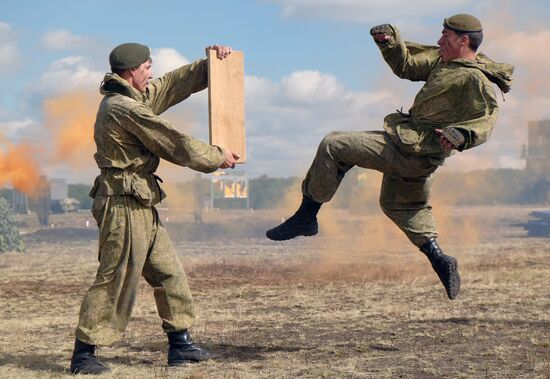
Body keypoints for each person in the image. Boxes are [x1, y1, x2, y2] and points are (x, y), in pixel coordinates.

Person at [266, 14, 513, 300]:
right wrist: (390, 43)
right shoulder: (443, 61)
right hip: (420, 158)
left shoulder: (474, 78)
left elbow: (486, 117)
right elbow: (407, 65)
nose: (438, 40)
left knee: (334, 145)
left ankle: (306, 217)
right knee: (400, 206)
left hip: (410, 150)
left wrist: (461, 135)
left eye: (445, 35)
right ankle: (440, 260)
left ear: (464, 40)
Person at [70, 42, 240, 375]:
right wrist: (216, 157)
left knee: (169, 272)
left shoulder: (134, 99)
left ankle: (181, 344)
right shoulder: (123, 108)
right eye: (147, 67)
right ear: (132, 71)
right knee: (114, 277)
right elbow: (172, 140)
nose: (151, 73)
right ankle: (83, 354)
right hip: (122, 205)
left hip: (141, 201)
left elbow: (171, 86)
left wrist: (211, 65)